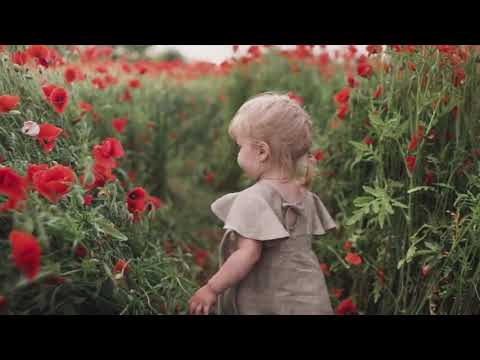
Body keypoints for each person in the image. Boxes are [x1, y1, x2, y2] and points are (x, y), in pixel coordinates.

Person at [188, 92, 337, 315]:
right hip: (309, 298)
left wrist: (211, 288)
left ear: (261, 151)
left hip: (267, 300)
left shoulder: (253, 199)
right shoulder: (306, 196)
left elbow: (248, 254)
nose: (238, 152)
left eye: (240, 146)